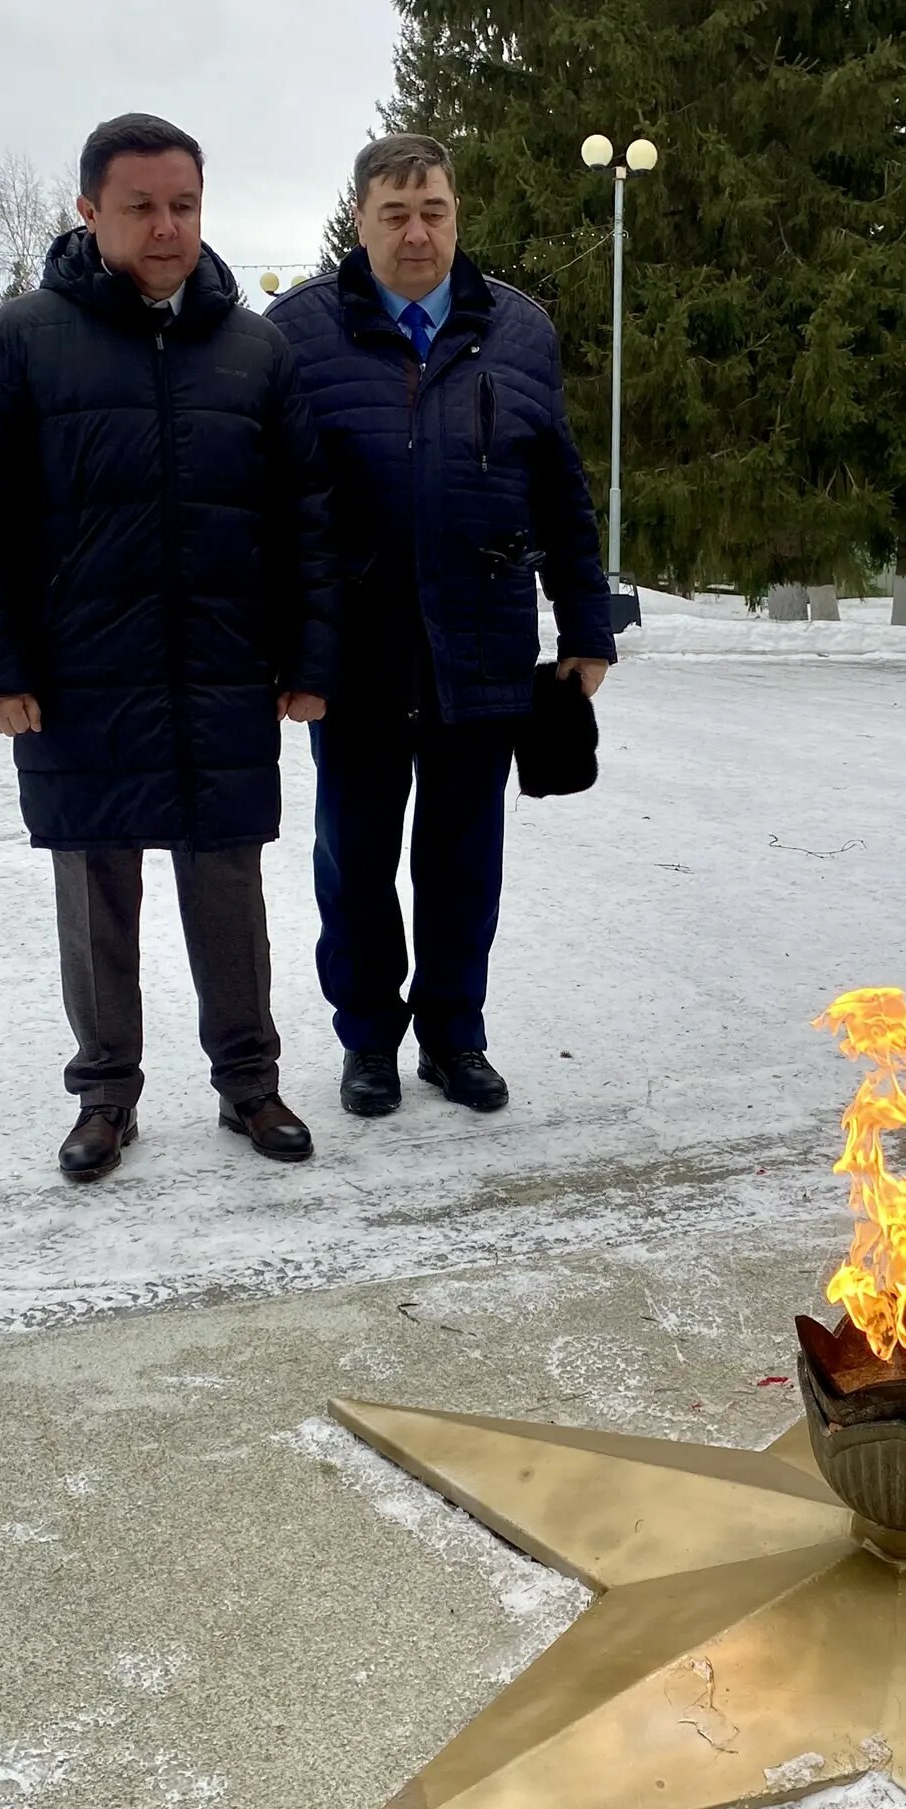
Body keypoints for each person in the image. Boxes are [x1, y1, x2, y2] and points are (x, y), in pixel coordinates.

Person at [0, 113, 336, 1181]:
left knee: (227, 891)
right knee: (95, 892)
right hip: (78, 680)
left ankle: (249, 1084)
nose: (167, 228)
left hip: (218, 673)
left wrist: (310, 660)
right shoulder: (24, 341)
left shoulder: (255, 350)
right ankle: (104, 1094)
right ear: (88, 212)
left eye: (185, 205)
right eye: (142, 206)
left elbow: (306, 517)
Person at [269, 134, 614, 1119]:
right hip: (357, 655)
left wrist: (585, 625)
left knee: (464, 865)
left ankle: (455, 1038)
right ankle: (369, 1042)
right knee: (358, 862)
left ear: (457, 215)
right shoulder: (296, 334)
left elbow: (562, 492)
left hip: (483, 645)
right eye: (395, 213)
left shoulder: (520, 331)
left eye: (435, 211)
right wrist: (285, 649)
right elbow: (273, 508)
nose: (418, 232)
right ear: (359, 219)